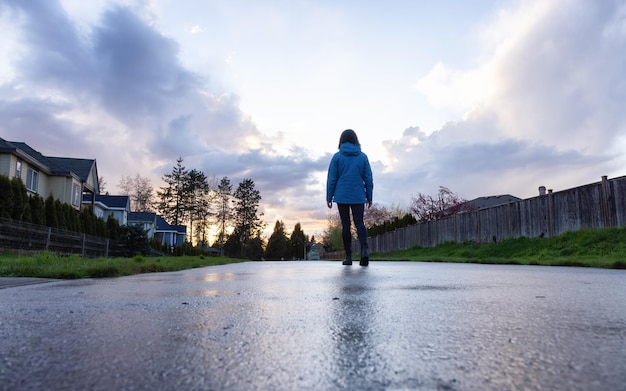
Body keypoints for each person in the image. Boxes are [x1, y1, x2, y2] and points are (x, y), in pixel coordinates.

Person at [326, 129, 373, 266]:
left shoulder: (337, 157)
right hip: (358, 195)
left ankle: (348, 257)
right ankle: (364, 251)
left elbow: (332, 179)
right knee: (360, 223)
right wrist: (369, 196)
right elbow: (368, 178)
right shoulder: (363, 157)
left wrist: (329, 197)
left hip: (342, 195)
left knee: (346, 225)